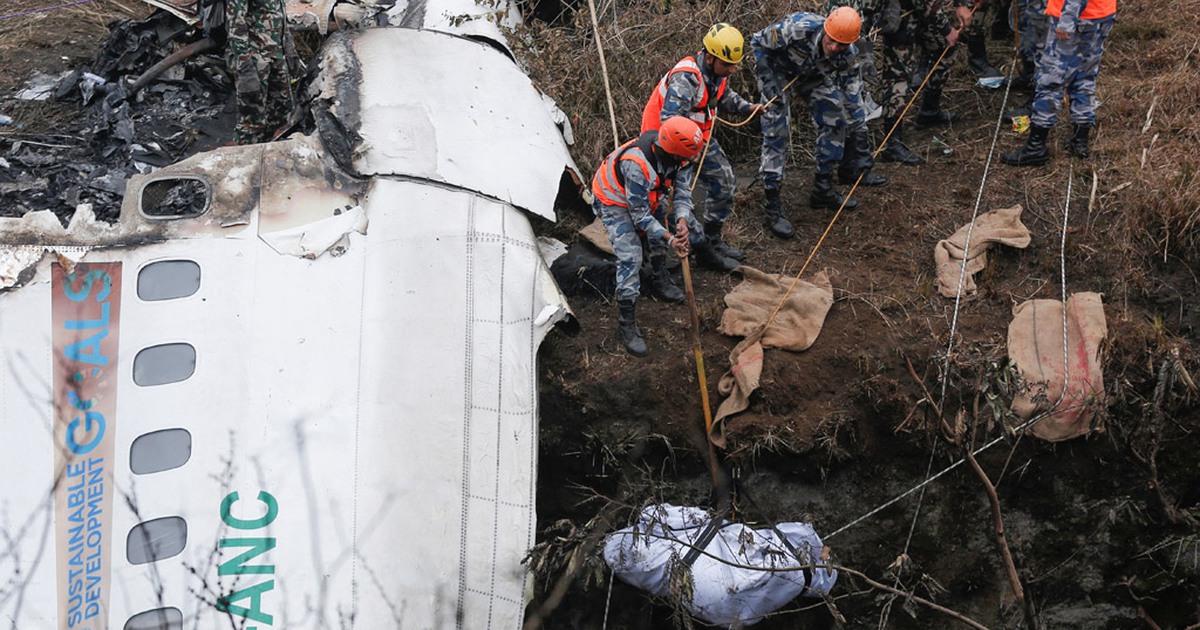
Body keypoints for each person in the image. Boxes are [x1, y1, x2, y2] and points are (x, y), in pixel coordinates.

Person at [751, 7, 888, 235]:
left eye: (841, 45)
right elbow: (758, 42)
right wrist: (766, 77)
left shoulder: (849, 55)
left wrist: (860, 139)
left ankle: (823, 187)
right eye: (831, 40)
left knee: (836, 117)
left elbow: (852, 97)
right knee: (777, 131)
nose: (833, 48)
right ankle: (772, 203)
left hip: (812, 76)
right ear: (826, 30)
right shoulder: (797, 28)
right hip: (777, 74)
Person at [642, 23, 768, 255]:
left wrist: (748, 108)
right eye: (727, 65)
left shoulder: (717, 72)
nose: (732, 70)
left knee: (725, 182)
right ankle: (695, 249)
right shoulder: (686, 78)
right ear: (710, 58)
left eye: (734, 64)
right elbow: (670, 122)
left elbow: (723, 96)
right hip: (665, 146)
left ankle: (712, 239)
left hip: (697, 139)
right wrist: (690, 155)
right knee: (674, 205)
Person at [591, 117, 703, 357]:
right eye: (690, 155)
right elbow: (640, 216)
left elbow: (683, 192)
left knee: (659, 232)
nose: (695, 159)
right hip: (613, 200)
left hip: (648, 194)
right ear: (675, 153)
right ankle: (626, 322)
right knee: (631, 257)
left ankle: (659, 280)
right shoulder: (637, 165)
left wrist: (682, 219)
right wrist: (670, 238)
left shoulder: (682, 156)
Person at [843, 0, 969, 165]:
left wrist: (960, 4)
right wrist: (945, 28)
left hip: (913, 9)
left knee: (944, 47)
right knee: (898, 72)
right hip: (893, 11)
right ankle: (892, 143)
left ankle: (929, 111)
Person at [1001, 0, 1116, 165]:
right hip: (1100, 14)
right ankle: (1080, 141)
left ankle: (1036, 146)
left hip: (1075, 18)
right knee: (1084, 76)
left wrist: (1067, 21)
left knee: (1051, 80)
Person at [206, 0, 297, 144]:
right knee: (253, 120)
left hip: (276, 55)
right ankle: (245, 153)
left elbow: (280, 14)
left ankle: (268, 149)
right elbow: (236, 26)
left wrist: (289, 46)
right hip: (255, 60)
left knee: (282, 110)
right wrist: (245, 68)